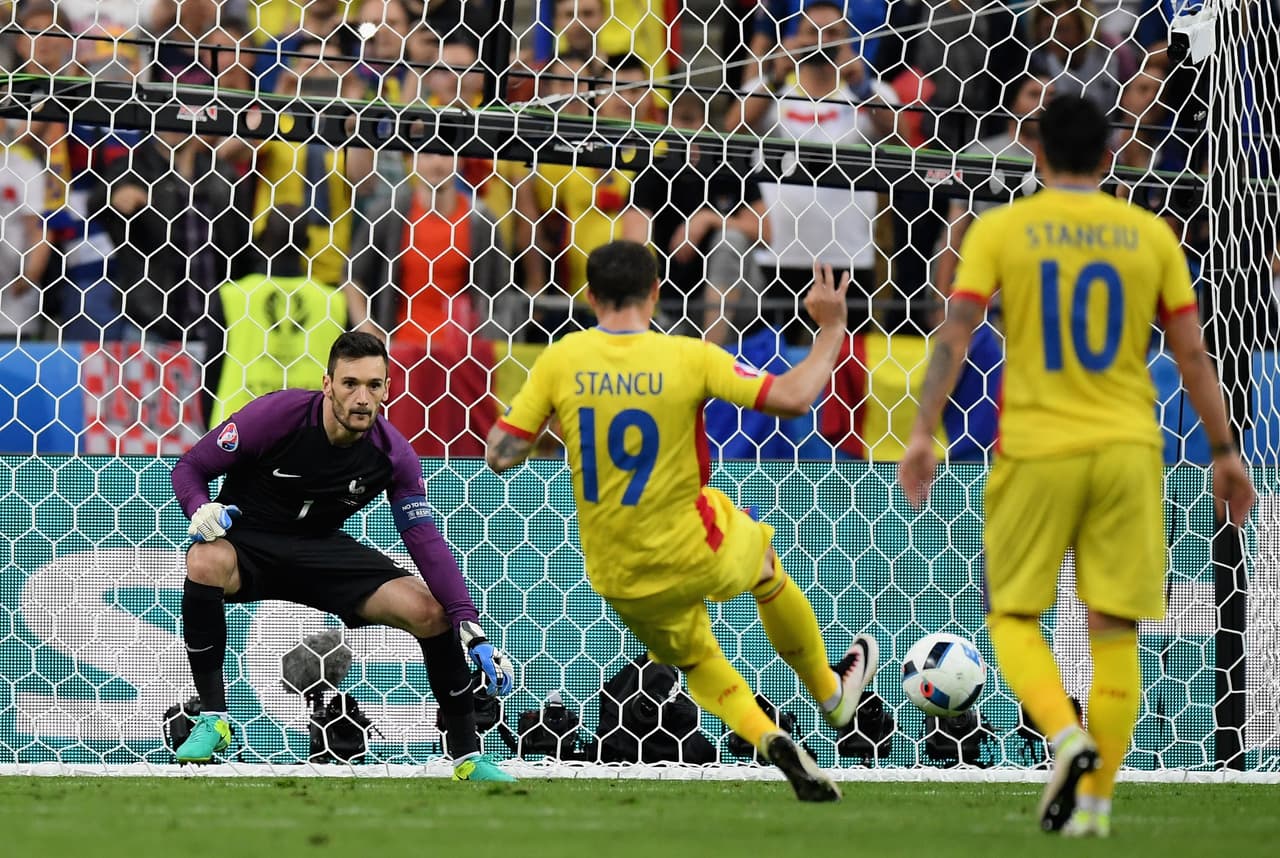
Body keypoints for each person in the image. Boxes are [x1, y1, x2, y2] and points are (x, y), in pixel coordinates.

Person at [898, 96, 1256, 835]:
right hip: (1128, 448)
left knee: (1012, 613)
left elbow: (955, 332)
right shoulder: (1148, 233)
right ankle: (1093, 806)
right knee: (1114, 628)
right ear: (1108, 158)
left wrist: (922, 432)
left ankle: (1064, 737)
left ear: (1035, 152)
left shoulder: (1004, 230)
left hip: (1036, 448)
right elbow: (1192, 353)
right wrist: (1225, 450)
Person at [485, 240, 880, 801]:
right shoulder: (688, 356)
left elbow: (500, 454)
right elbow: (794, 398)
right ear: (655, 293)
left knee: (695, 660)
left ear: (590, 295)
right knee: (766, 566)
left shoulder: (560, 360)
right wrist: (832, 328)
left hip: (617, 571)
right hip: (694, 544)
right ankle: (832, 696)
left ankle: (767, 739)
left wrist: (567, 425)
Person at [170, 332, 516, 781]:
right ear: (327, 384)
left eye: (374, 385)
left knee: (430, 613)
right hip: (249, 544)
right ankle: (213, 719)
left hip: (320, 552)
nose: (361, 397)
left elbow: (425, 540)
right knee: (204, 560)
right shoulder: (276, 416)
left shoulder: (393, 455)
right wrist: (200, 509)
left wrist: (469, 626)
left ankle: (467, 757)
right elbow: (190, 468)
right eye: (350, 383)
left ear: (388, 389)